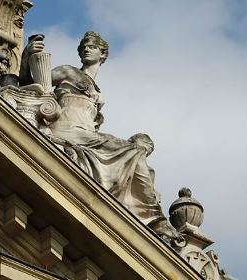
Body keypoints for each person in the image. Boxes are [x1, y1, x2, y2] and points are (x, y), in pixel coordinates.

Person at [20, 31, 180, 241]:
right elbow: (30, 81)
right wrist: (26, 57)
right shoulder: (69, 72)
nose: (87, 49)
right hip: (69, 130)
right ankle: (154, 219)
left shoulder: (97, 89)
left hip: (87, 136)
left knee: (139, 152)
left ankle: (148, 216)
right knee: (134, 151)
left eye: (92, 46)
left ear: (103, 54)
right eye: (84, 46)